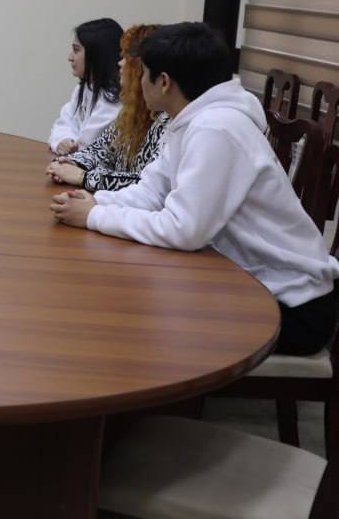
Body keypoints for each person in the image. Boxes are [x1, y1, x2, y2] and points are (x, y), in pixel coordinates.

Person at [51, 22, 339, 355]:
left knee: (135, 316)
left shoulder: (216, 129)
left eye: (143, 73)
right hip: (250, 284)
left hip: (291, 307)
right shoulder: (189, 120)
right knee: (127, 302)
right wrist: (96, 201)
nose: (137, 81)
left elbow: (183, 230)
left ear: (163, 82)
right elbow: (151, 192)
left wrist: (94, 217)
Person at [47, 24, 169, 192]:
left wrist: (83, 177)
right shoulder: (131, 112)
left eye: (126, 58)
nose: (120, 63)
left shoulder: (165, 121)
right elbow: (98, 151)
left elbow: (147, 185)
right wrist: (69, 163)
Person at [49, 18, 123, 154]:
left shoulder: (114, 99)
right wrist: (63, 140)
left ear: (97, 55)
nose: (70, 57)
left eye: (76, 50)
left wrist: (72, 146)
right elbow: (64, 121)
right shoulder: (84, 88)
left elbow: (88, 146)